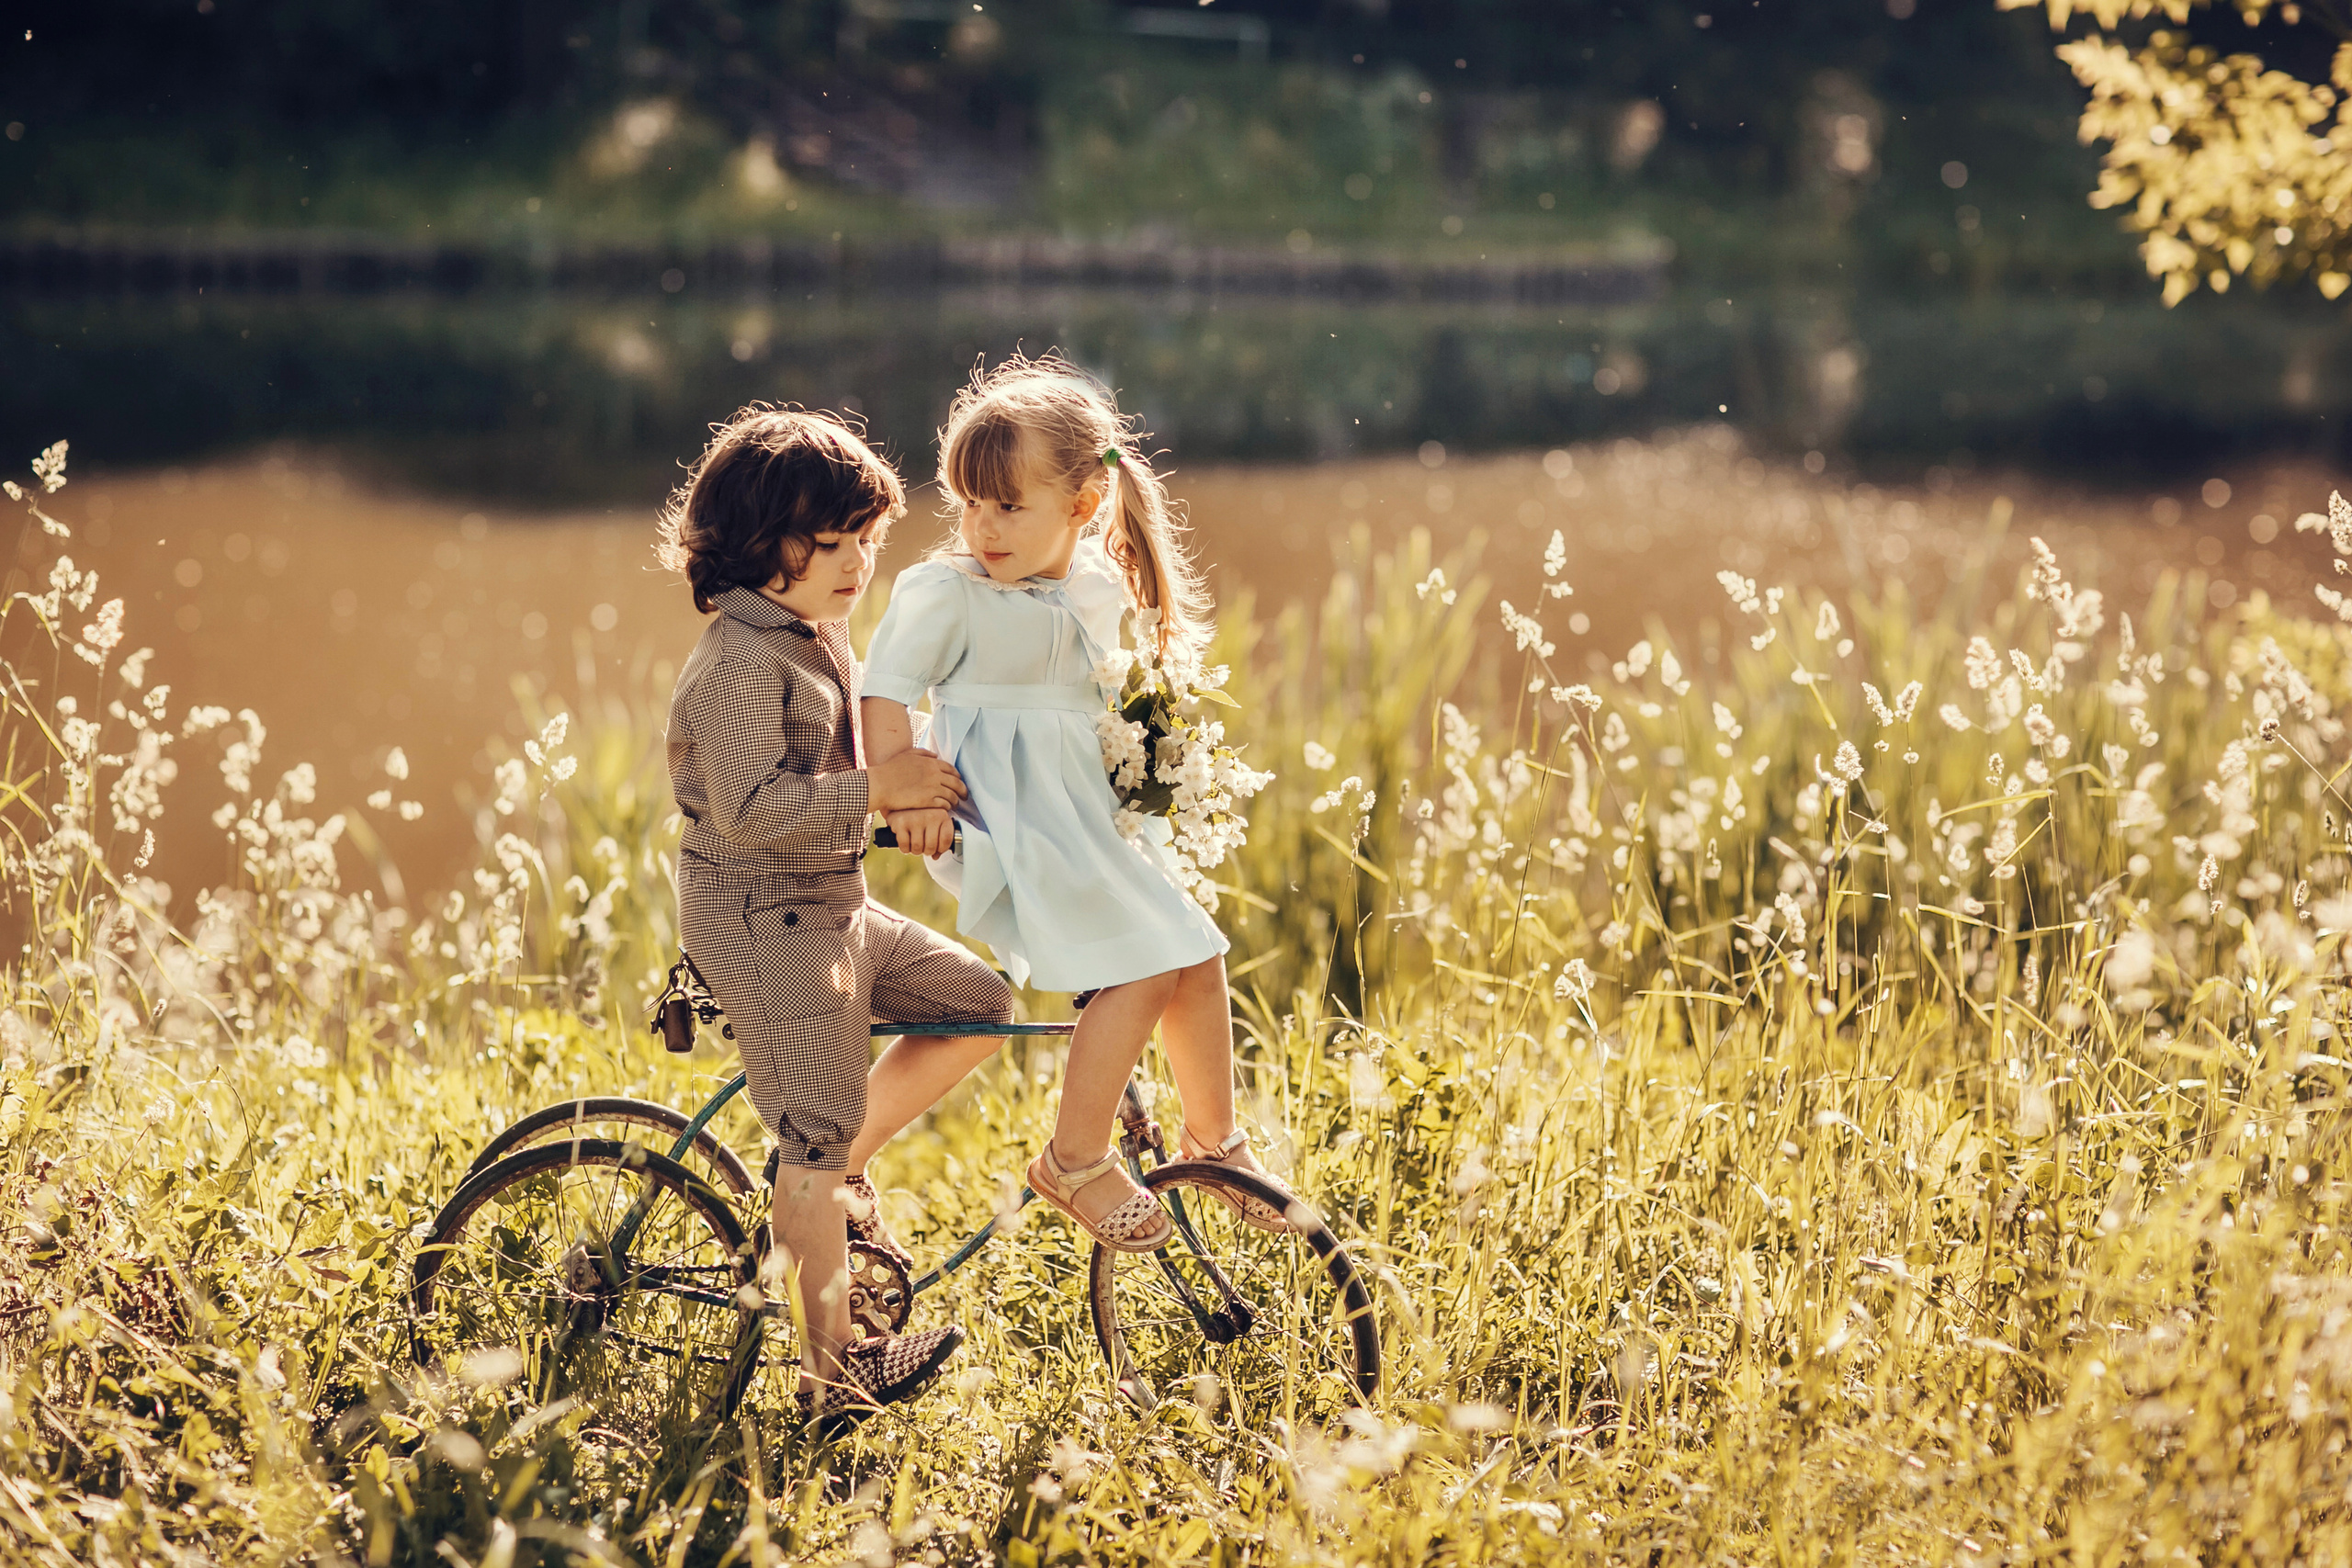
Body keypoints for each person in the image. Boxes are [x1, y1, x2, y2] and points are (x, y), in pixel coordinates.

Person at [858, 354, 1295, 1253]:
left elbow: (1088, 707)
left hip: (1076, 820)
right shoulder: (946, 594)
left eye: (1007, 506)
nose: (981, 526)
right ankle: (1074, 1160)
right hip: (999, 820)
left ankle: (1215, 1144)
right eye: (968, 504)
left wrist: (1142, 754)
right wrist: (902, 785)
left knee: (1195, 948)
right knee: (1141, 966)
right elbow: (884, 691)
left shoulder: (1093, 584)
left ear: (1083, 505)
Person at [657, 406, 1014, 1439]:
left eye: (870, 535)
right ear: (763, 541)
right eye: (833, 539)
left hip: (832, 902)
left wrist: (923, 794)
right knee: (807, 1139)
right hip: (764, 917)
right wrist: (875, 792)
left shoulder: (813, 626)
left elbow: (854, 762)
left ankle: (836, 1175)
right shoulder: (735, 660)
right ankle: (834, 1374)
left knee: (977, 1005)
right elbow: (752, 812)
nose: (860, 560)